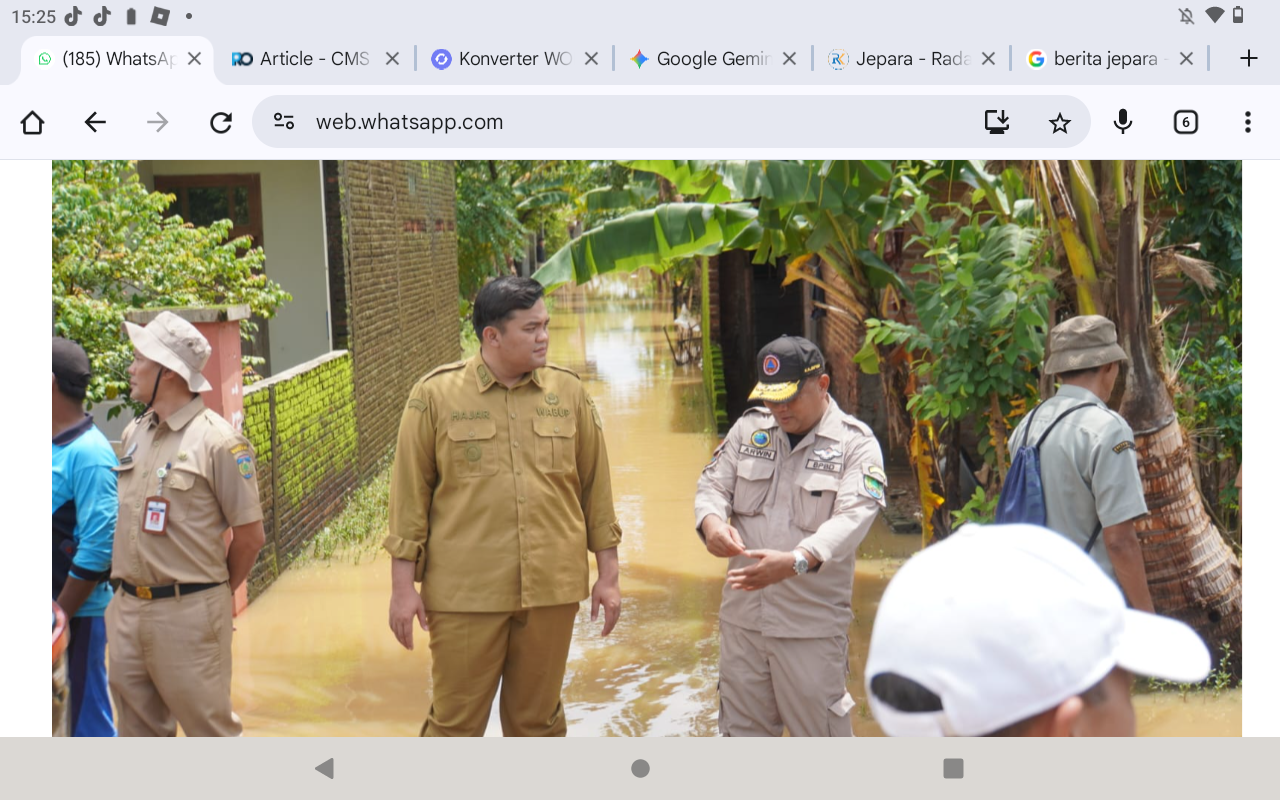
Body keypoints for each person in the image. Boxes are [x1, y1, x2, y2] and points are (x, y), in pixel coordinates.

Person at [385, 276, 622, 737]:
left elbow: (596, 489)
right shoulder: (435, 396)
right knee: (454, 727)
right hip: (465, 595)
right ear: (492, 336)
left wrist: (608, 577)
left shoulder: (568, 393)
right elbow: (409, 498)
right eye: (531, 328)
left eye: (546, 325)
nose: (544, 337)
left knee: (538, 724)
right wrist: (401, 588)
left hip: (552, 590)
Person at [694, 335, 886, 737]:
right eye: (770, 398)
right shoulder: (749, 430)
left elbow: (854, 516)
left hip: (809, 629)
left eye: (790, 398)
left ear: (822, 385)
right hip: (744, 624)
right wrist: (712, 523)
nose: (779, 409)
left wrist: (798, 560)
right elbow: (712, 485)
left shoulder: (856, 444)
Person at [865, 523, 1210, 737]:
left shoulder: (1032, 426)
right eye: (1127, 689)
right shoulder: (1110, 432)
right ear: (1069, 732)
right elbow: (1120, 537)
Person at [105, 311, 265, 737]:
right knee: (137, 739)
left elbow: (250, 537)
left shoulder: (218, 441)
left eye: (140, 359)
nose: (131, 368)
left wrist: (211, 597)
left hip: (189, 615)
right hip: (126, 610)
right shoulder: (135, 432)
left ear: (169, 372)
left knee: (210, 735)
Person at [1006, 315, 1154, 612]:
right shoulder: (1109, 430)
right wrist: (1147, 618)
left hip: (1033, 602)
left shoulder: (1026, 425)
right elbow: (1120, 541)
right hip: (1087, 608)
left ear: (1060, 370)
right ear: (1110, 366)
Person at [52, 337, 118, 737]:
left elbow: (98, 548)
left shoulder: (90, 453)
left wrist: (57, 619)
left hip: (78, 617)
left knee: (86, 722)